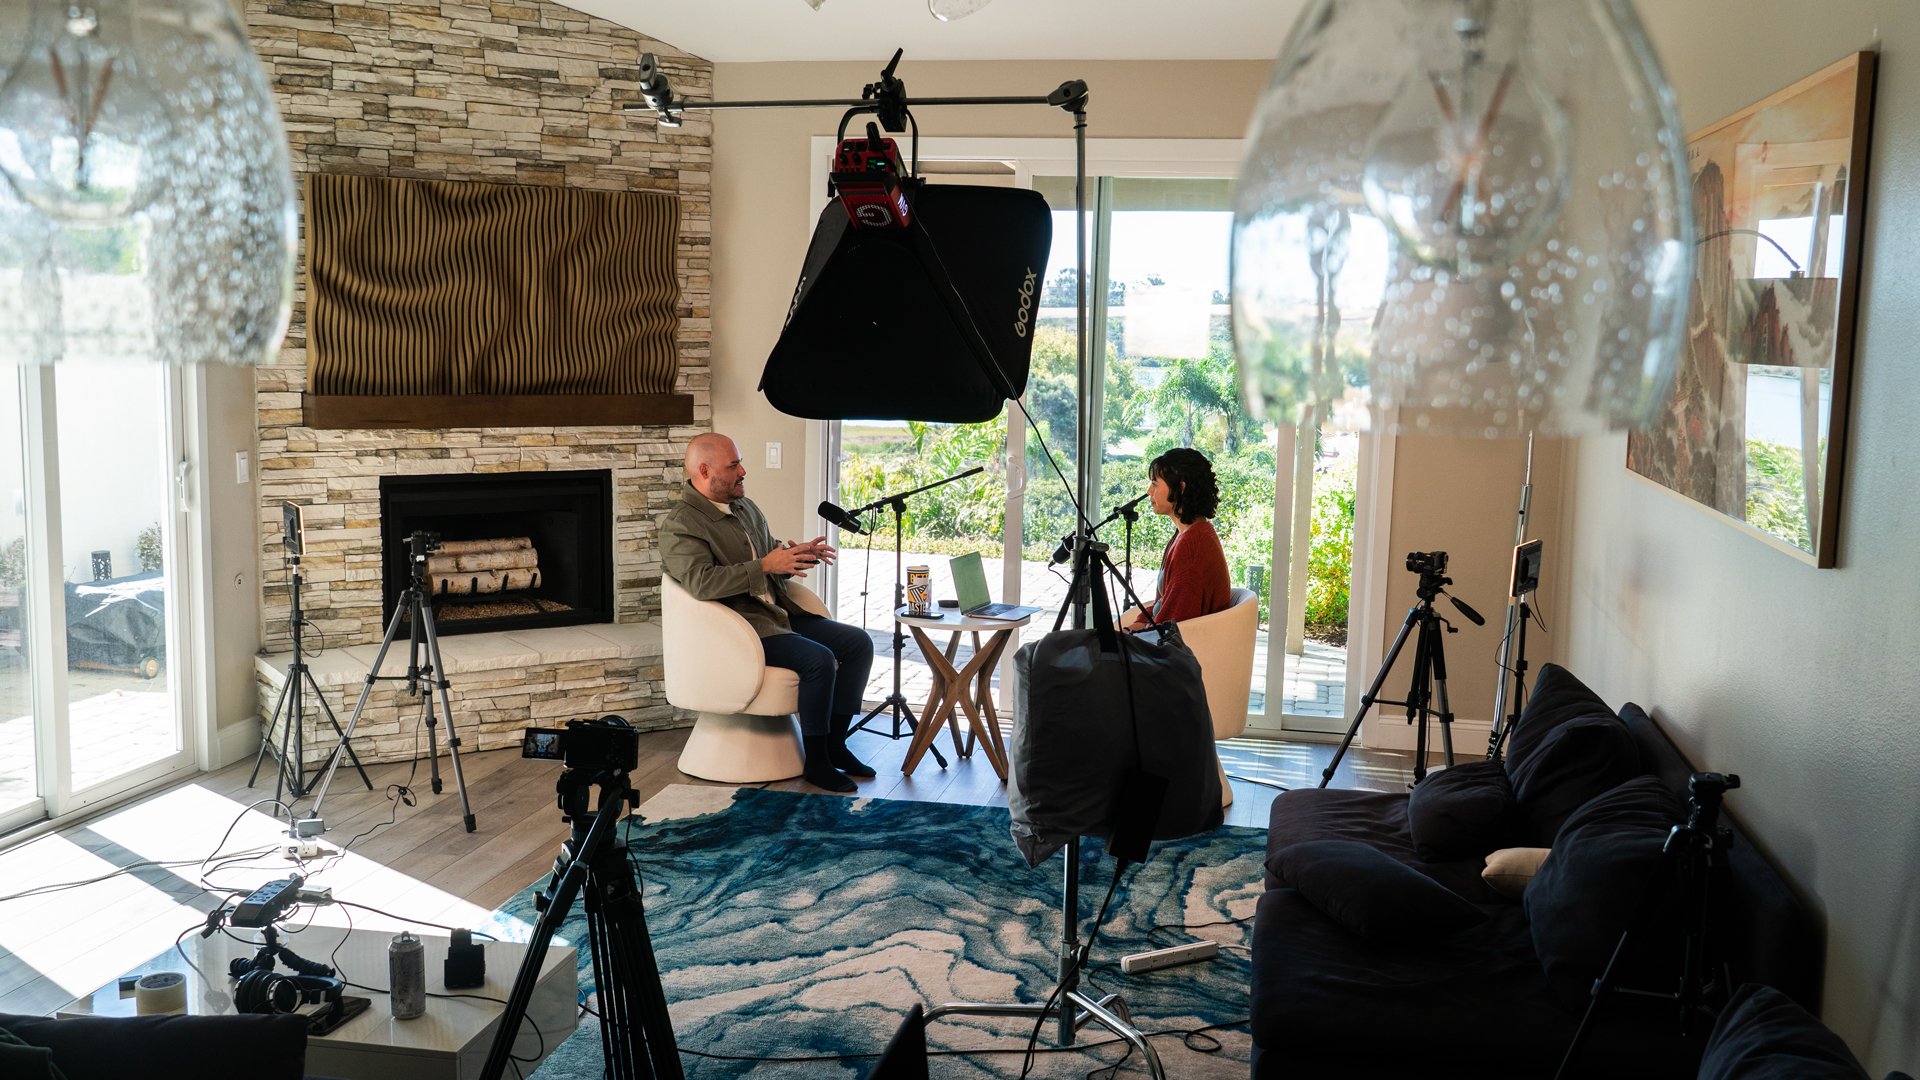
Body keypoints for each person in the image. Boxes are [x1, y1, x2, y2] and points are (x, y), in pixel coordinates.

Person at [659, 433, 875, 793]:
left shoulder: (746, 508)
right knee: (818, 660)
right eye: (733, 466)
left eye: (740, 462)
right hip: (742, 626)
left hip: (780, 613)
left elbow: (769, 558)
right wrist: (765, 565)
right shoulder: (682, 524)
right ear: (704, 470)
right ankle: (817, 762)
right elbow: (700, 583)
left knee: (857, 644)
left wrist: (792, 558)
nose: (743, 471)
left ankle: (836, 746)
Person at [1127, 447, 1231, 631]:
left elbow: (1174, 622)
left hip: (1175, 650)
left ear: (1181, 488)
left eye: (1155, 483)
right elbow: (1164, 602)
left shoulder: (1193, 545)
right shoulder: (1186, 534)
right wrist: (1138, 623)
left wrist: (1135, 634)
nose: (1149, 491)